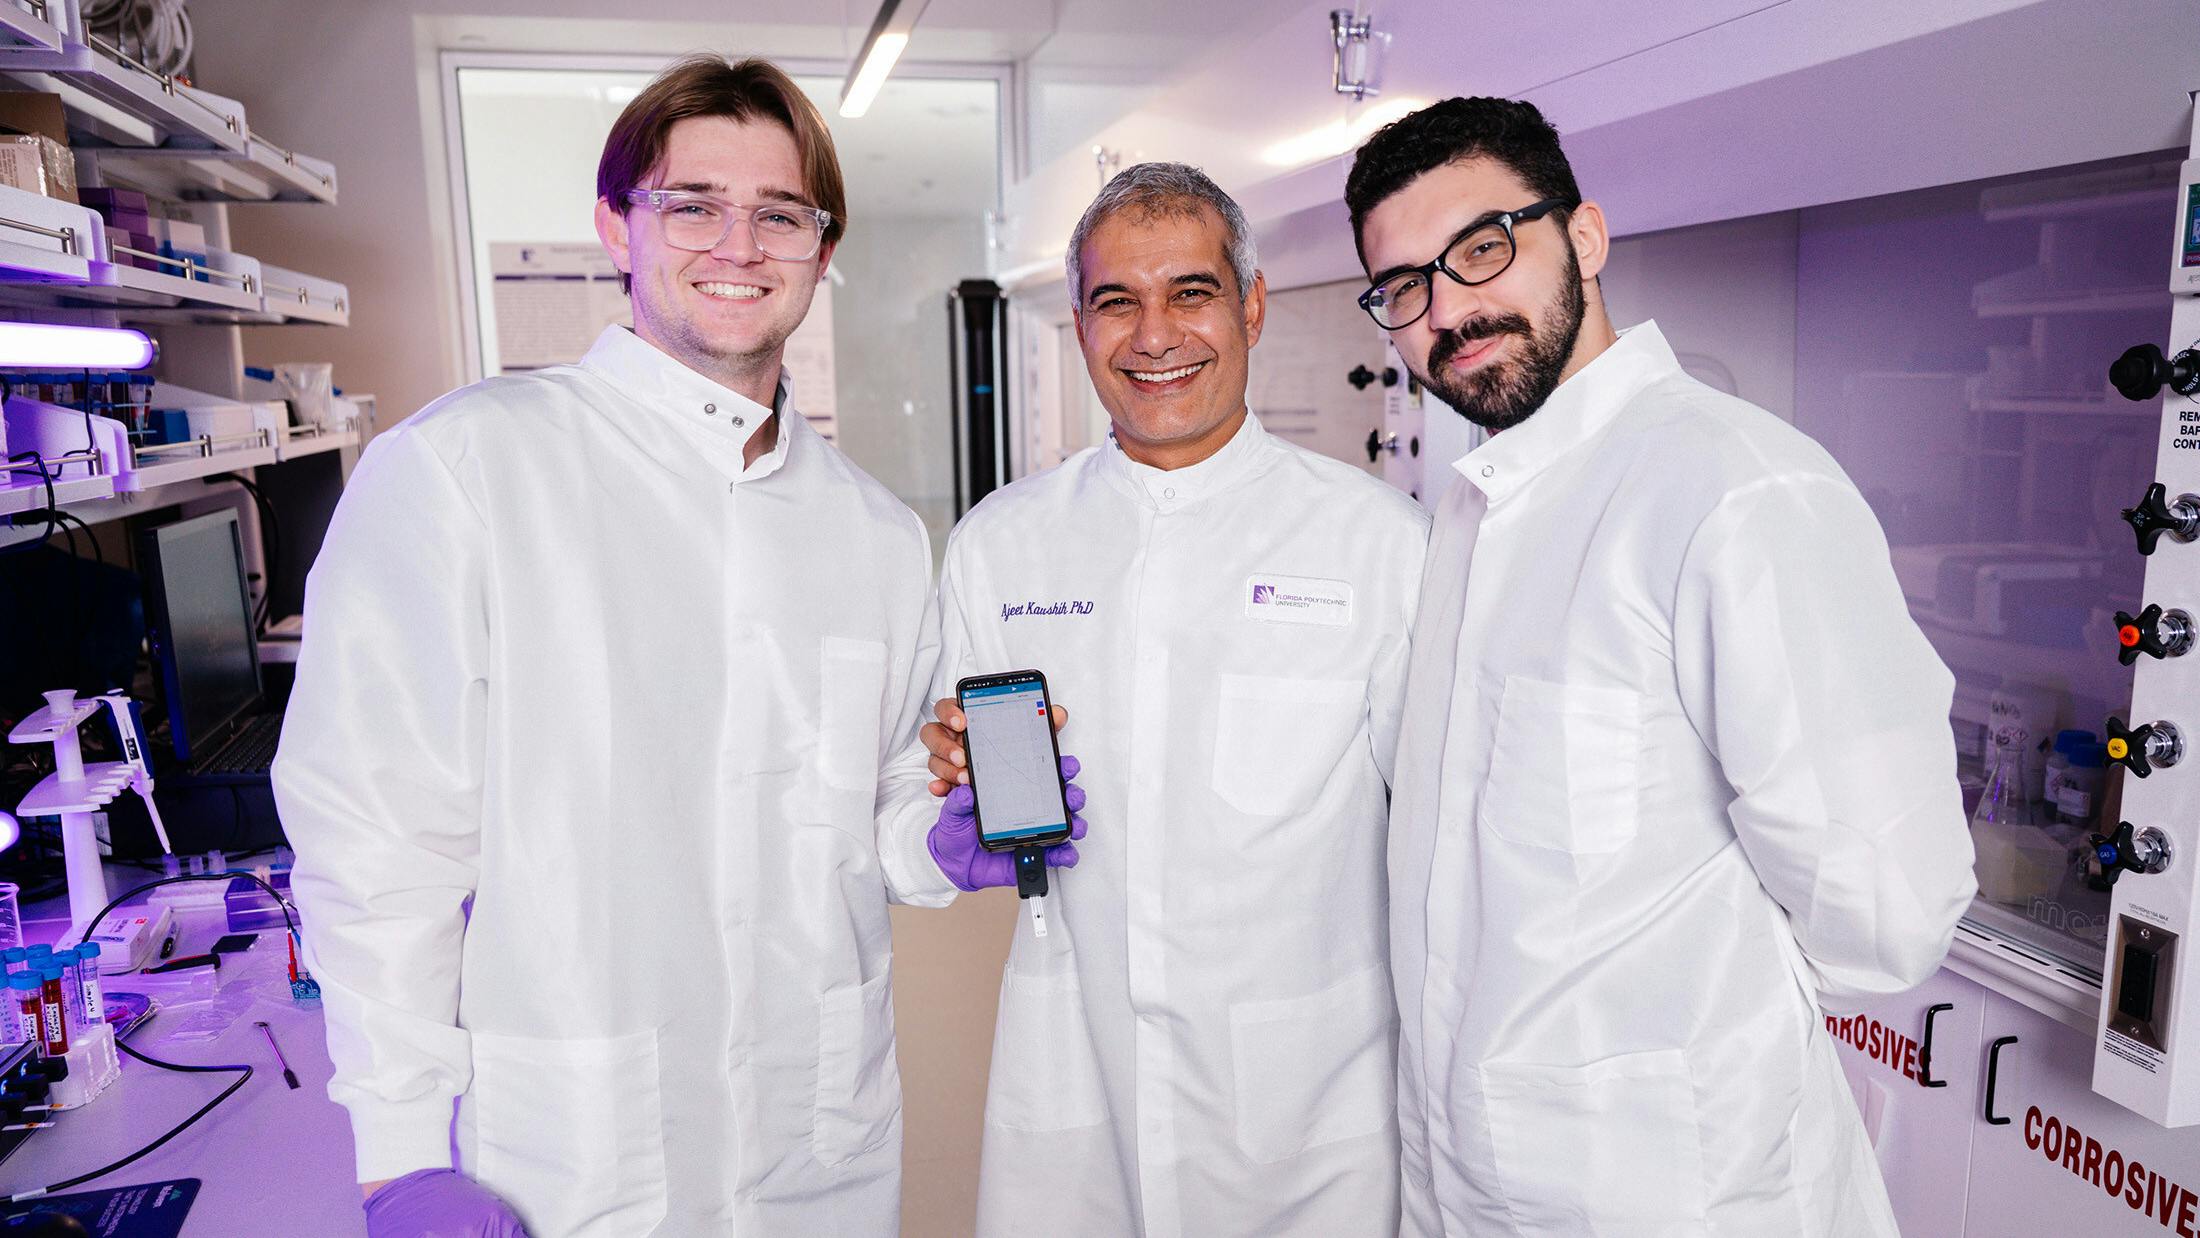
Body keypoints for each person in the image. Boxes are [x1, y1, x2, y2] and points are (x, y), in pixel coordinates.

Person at [275, 55, 958, 1236]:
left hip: (819, 1153)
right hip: (572, 1154)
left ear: (822, 248)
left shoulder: (877, 533)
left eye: (780, 214)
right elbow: (380, 843)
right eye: (693, 204)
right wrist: (397, 1151)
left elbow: (878, 804)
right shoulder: (466, 470)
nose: (739, 245)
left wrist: (943, 836)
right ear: (614, 224)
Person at [1345, 97, 1978, 1236]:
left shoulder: (1736, 489)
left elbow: (1888, 909)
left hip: (1680, 1191)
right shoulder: (1472, 516)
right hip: (1467, 1187)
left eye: (1481, 249)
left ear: (1584, 236)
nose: (1448, 310)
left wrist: (1693, 1006)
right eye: (1403, 286)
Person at [891, 162, 1428, 1237]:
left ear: (1251, 307)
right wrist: (939, 830)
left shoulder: (1379, 544)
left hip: (1310, 1119)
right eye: (1115, 301)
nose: (1153, 335)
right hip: (1072, 1085)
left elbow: (1443, 850)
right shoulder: (1004, 542)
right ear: (1080, 325)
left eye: (1190, 292)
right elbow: (915, 791)